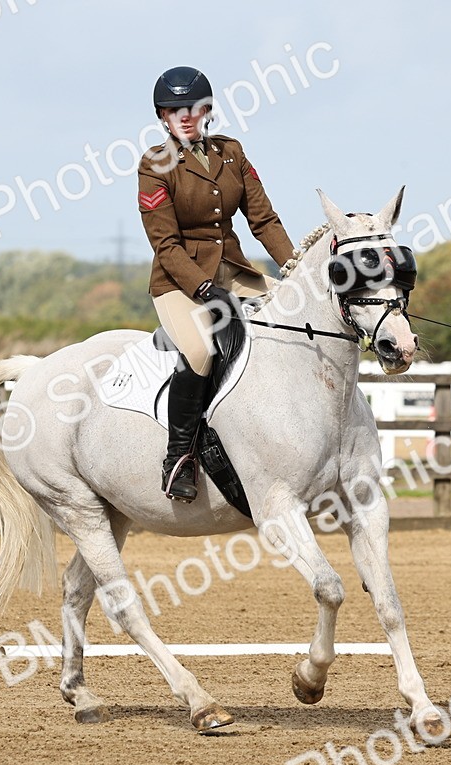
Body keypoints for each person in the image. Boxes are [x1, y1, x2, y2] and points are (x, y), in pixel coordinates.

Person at [138, 65, 295, 504]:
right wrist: (203, 289)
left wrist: (294, 268)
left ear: (206, 110)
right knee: (201, 349)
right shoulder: (154, 165)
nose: (184, 117)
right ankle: (179, 458)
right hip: (178, 282)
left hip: (235, 272)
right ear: (162, 117)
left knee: (296, 321)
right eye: (174, 111)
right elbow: (165, 244)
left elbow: (263, 219)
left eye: (192, 108)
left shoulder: (233, 153)